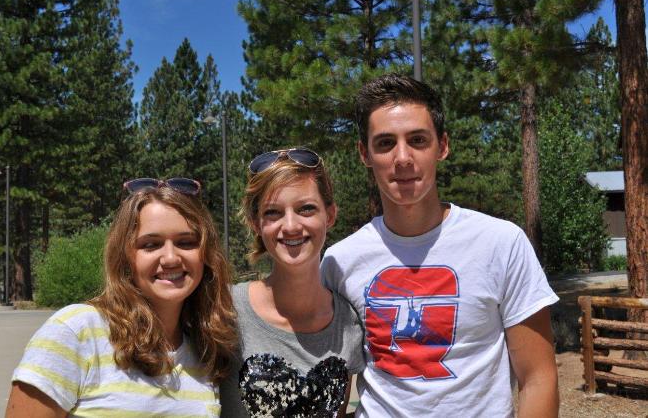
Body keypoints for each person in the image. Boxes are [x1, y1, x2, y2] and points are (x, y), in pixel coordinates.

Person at [321, 74, 560, 417]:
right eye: (385, 143)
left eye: (417, 140)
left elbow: (538, 378)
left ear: (442, 146)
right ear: (364, 154)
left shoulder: (502, 243)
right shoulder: (339, 262)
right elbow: (334, 392)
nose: (403, 157)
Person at [6, 178, 238, 417]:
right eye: (151, 244)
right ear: (125, 256)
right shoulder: (77, 332)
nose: (170, 258)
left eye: (186, 242)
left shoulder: (204, 354)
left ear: (206, 254)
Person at [220, 148, 365, 418]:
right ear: (256, 223)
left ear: (330, 215)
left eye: (306, 209)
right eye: (273, 212)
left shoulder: (348, 323)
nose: (291, 226)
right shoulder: (225, 311)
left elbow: (344, 412)